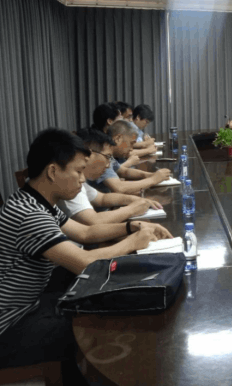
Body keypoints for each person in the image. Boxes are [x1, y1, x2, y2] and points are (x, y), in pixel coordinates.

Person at [0, 129, 171, 384]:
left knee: (97, 305)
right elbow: (85, 263)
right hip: (10, 326)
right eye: (78, 171)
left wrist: (131, 227)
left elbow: (85, 232)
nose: (83, 180)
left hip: (30, 304)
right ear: (52, 171)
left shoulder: (37, 202)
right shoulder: (29, 214)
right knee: (95, 329)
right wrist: (133, 242)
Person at [58, 128, 163, 224]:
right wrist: (132, 210)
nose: (108, 165)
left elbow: (102, 198)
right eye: (107, 157)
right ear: (89, 155)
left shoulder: (80, 180)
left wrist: (135, 200)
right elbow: (93, 222)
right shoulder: (69, 182)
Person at [91, 120, 171, 194]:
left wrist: (149, 175)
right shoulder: (101, 155)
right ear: (118, 138)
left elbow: (123, 171)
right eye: (131, 143)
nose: (131, 149)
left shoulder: (109, 154)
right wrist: (153, 180)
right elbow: (119, 188)